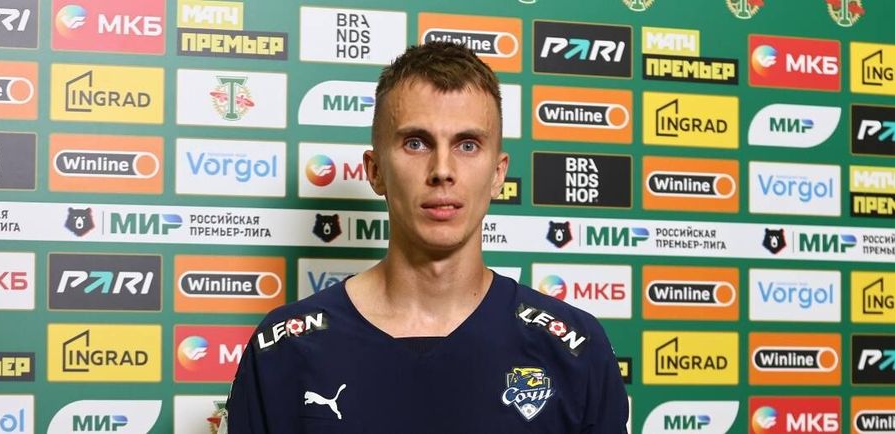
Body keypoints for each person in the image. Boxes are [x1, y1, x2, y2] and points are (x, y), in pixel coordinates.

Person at [224, 41, 629, 433]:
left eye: (467, 145)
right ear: (375, 170)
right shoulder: (285, 349)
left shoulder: (574, 349)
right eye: (416, 143)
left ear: (498, 174)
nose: (442, 170)